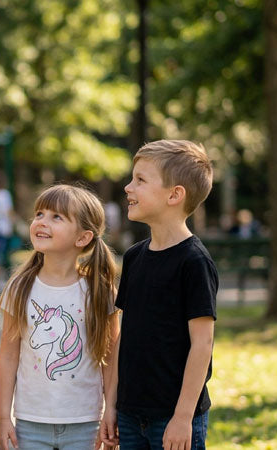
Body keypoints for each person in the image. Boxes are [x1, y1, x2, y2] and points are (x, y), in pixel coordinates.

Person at [0, 184, 120, 450]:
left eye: (56, 217)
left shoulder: (100, 291)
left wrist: (111, 411)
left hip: (85, 423)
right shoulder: (20, 287)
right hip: (29, 423)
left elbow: (111, 357)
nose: (42, 222)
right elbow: (8, 355)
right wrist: (4, 417)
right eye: (39, 214)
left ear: (82, 238)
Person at [112, 140, 218, 450]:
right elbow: (124, 336)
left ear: (175, 195)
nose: (128, 188)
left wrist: (183, 417)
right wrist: (112, 405)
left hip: (174, 418)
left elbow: (203, 343)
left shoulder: (194, 262)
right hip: (130, 415)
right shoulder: (133, 257)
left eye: (140, 180)